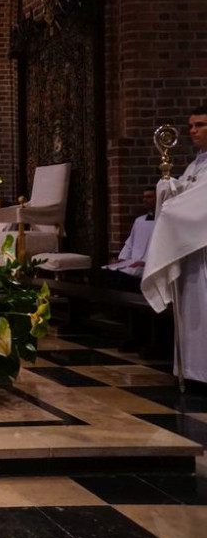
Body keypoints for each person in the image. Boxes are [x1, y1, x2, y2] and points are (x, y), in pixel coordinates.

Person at [142, 106, 207, 384]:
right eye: (191, 125)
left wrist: (171, 209)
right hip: (189, 249)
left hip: (201, 249)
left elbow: (200, 205)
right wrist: (168, 188)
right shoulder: (195, 164)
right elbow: (186, 194)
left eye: (200, 125)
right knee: (191, 310)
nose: (193, 130)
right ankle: (192, 371)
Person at [103, 187, 157, 280]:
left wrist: (146, 262)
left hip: (150, 264)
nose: (145, 200)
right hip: (132, 262)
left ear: (158, 198)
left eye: (149, 197)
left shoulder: (163, 221)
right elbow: (130, 243)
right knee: (107, 271)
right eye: (143, 197)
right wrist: (122, 258)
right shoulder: (139, 221)